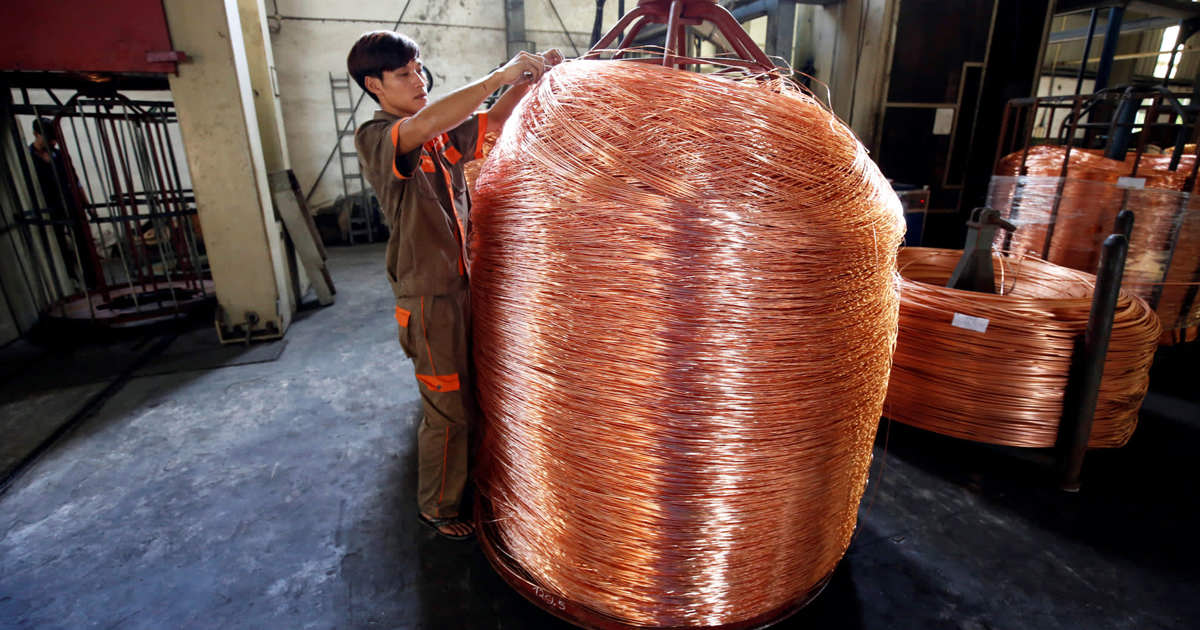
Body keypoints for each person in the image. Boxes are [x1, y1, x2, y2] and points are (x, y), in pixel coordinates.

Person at [348, 31, 562, 540]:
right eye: (404, 74)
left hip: (463, 287)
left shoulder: (441, 136)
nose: (417, 80)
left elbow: (494, 120)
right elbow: (426, 123)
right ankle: (438, 508)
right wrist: (498, 76)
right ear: (374, 85)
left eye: (419, 69)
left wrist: (533, 79)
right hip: (429, 298)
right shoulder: (378, 137)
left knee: (474, 396)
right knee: (447, 410)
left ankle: (466, 484)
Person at [29, 117, 97, 287]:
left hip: (71, 203)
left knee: (84, 243)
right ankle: (69, 281)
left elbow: (75, 180)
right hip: (49, 209)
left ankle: (93, 283)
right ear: (35, 134)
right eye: (49, 138)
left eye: (55, 138)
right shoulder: (27, 158)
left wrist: (87, 204)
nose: (53, 142)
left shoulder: (60, 154)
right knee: (58, 245)